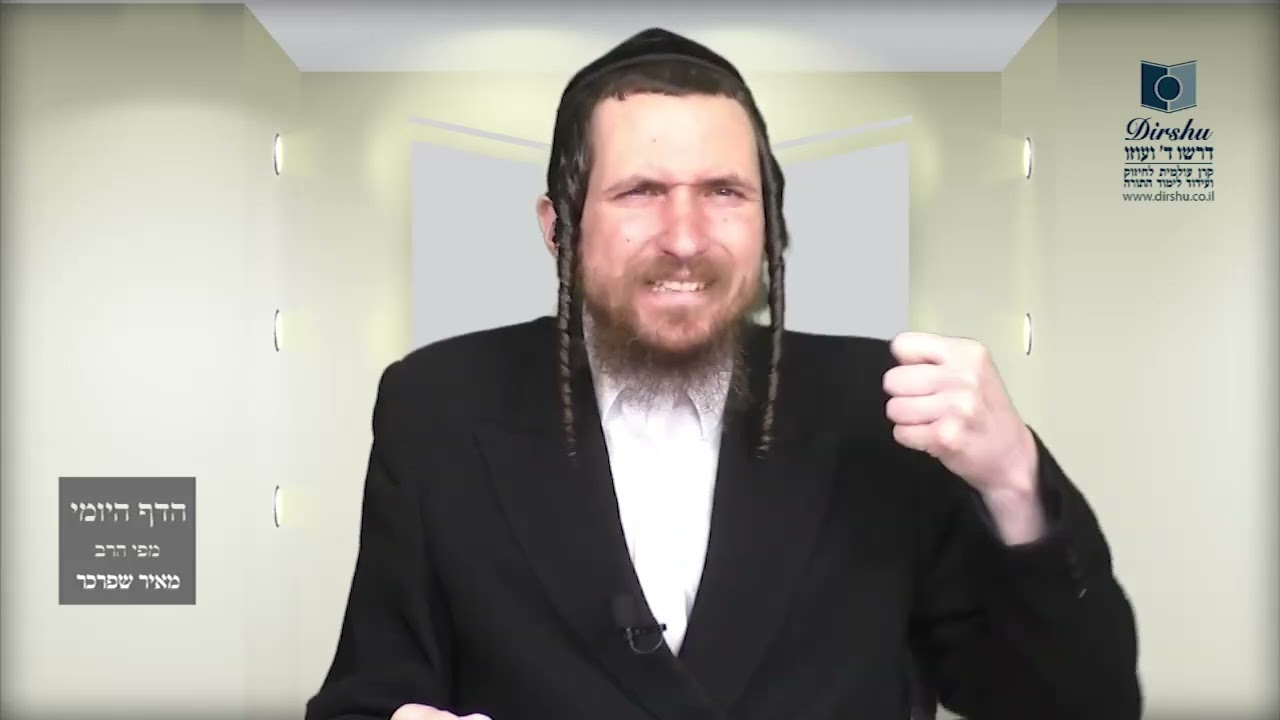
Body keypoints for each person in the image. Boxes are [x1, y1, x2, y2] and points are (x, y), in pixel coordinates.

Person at [305, 27, 1141, 720]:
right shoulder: (437, 405)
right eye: (640, 191)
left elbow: (1074, 705)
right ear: (558, 229)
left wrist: (1014, 479)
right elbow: (366, 694)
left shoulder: (884, 408)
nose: (685, 238)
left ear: (769, 221)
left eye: (725, 193)